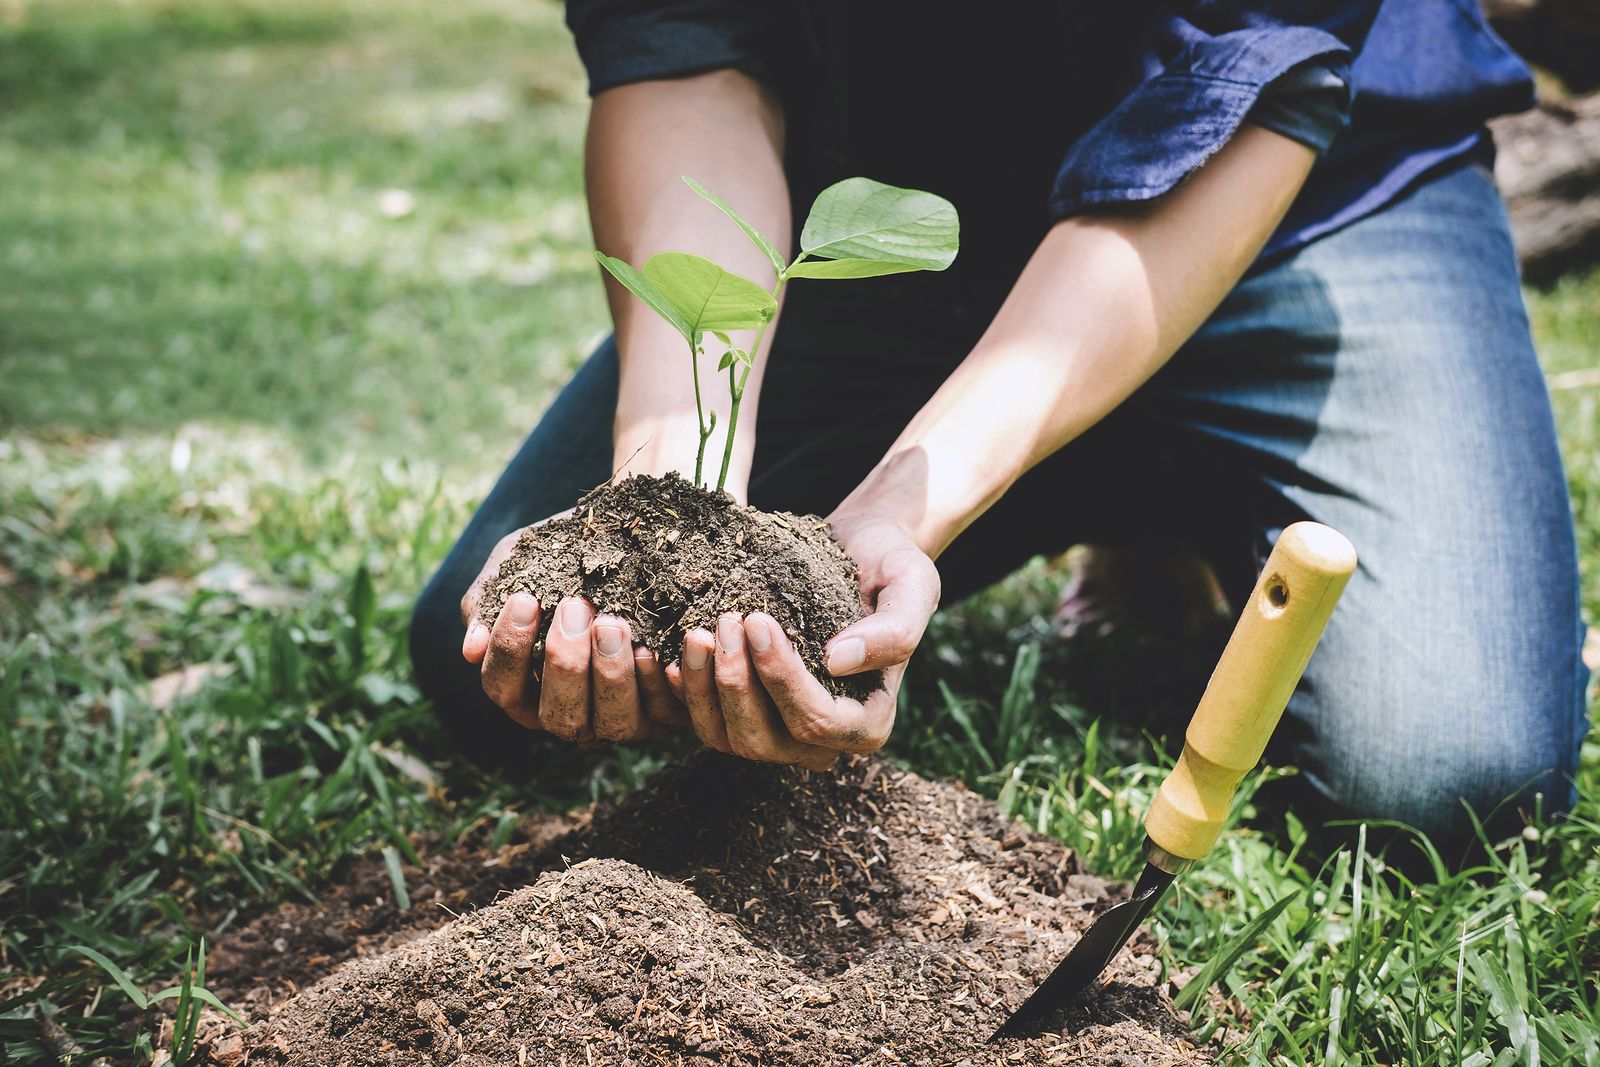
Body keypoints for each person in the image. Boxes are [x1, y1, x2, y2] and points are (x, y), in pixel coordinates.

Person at [409, 3, 1591, 844]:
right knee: (491, 661)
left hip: (1306, 200)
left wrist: (911, 501)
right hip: (897, 212)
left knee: (1446, 774)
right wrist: (666, 503)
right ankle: (1112, 472)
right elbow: (686, 52)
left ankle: (1143, 483)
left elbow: (1243, 78)